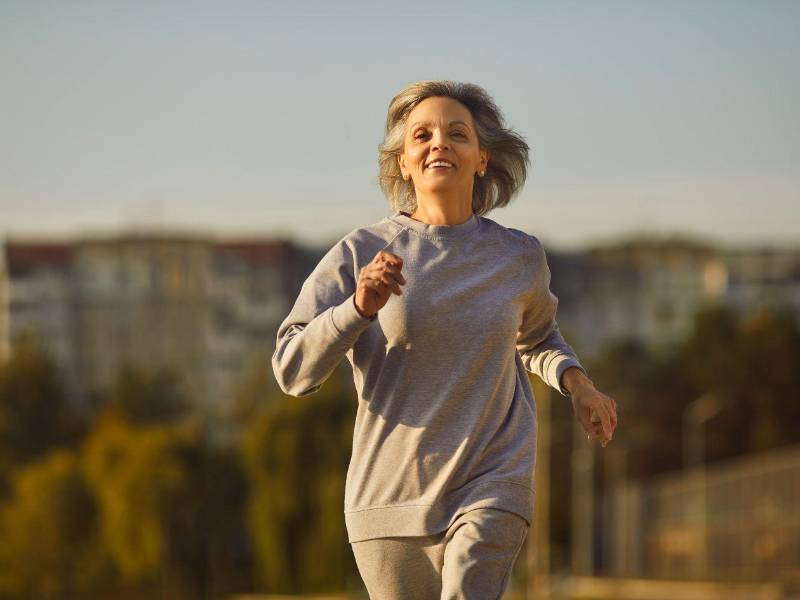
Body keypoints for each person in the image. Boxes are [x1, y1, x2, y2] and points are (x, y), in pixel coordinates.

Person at [272, 80, 618, 600]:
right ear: (404, 162)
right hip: (388, 498)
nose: (440, 143)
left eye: (458, 134)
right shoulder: (359, 251)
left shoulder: (518, 257)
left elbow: (539, 337)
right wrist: (358, 309)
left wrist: (579, 385)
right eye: (422, 135)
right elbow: (292, 369)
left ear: (481, 159)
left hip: (491, 478)